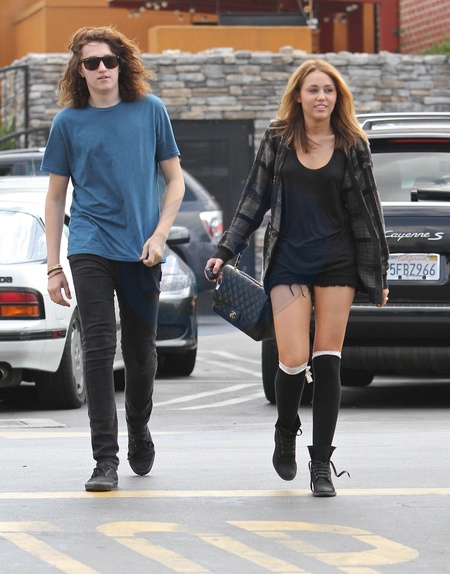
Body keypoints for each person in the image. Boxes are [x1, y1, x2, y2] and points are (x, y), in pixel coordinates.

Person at [205, 59, 389, 497]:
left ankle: (321, 464)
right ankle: (286, 429)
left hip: (337, 261)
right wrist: (225, 250)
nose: (321, 97)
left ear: (338, 97)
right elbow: (253, 200)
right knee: (291, 359)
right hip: (289, 260)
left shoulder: (352, 144)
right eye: (313, 90)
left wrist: (378, 271)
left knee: (328, 359)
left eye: (328, 90)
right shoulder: (278, 139)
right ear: (299, 96)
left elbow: (370, 212)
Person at [42, 26, 185, 492]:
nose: (102, 68)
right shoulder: (68, 123)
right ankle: (105, 459)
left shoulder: (151, 111)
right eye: (92, 62)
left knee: (140, 352)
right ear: (79, 70)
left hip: (142, 251)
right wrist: (53, 265)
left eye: (109, 60)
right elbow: (55, 198)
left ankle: (139, 427)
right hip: (89, 246)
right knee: (99, 348)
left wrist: (160, 235)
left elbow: (175, 181)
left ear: (122, 64)